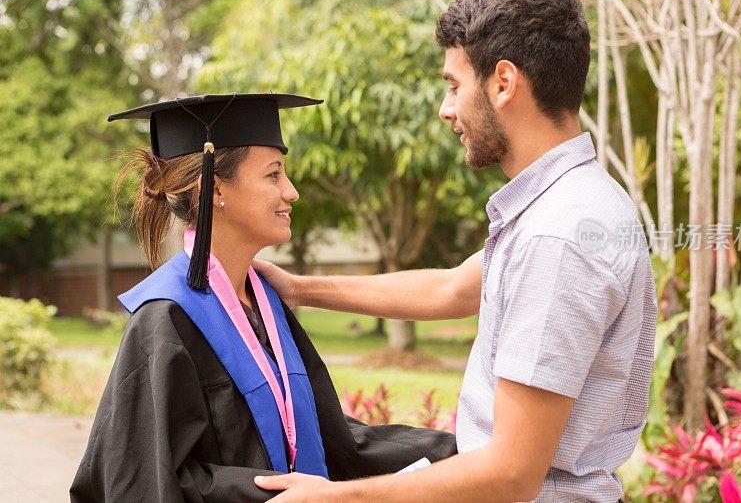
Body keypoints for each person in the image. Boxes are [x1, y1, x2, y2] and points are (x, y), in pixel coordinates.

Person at [253, 0, 657, 502]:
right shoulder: (569, 204)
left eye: (454, 85)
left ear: (503, 82)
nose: (447, 109)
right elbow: (451, 289)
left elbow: (511, 473)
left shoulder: (556, 237)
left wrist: (335, 498)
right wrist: (300, 289)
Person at [70, 93, 456, 503]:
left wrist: (456, 453)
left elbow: (327, 440)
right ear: (215, 188)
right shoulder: (166, 318)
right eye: (274, 175)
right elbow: (145, 481)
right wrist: (275, 493)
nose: (291, 192)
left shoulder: (266, 303)